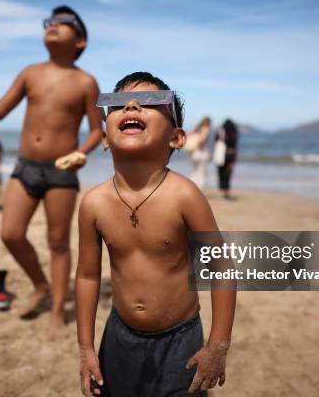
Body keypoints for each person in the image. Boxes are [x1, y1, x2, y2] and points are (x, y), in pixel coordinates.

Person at [76, 72, 236, 397]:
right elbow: (88, 276)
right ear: (105, 137)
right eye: (116, 103)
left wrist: (218, 344)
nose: (131, 105)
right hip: (119, 334)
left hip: (180, 339)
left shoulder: (184, 196)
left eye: (150, 102)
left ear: (176, 137)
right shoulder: (93, 203)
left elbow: (222, 267)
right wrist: (85, 347)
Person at [0, 5, 102, 336]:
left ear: (81, 41)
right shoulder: (30, 72)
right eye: (50, 22)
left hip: (61, 171)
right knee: (10, 233)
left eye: (64, 23)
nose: (54, 25)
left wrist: (80, 153)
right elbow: (0, 110)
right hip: (26, 166)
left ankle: (58, 309)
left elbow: (97, 130)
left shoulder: (86, 82)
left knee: (58, 241)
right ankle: (40, 285)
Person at [214, 119, 239, 200]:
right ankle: (226, 193)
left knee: (221, 174)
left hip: (221, 156)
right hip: (230, 157)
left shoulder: (221, 132)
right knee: (227, 176)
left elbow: (216, 141)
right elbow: (235, 147)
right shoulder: (234, 133)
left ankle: (222, 192)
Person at [185, 117, 211, 190]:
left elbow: (187, 135)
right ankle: (200, 192)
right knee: (202, 173)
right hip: (201, 153)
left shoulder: (196, 128)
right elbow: (202, 140)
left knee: (195, 172)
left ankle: (191, 189)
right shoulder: (206, 128)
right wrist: (203, 148)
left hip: (194, 154)